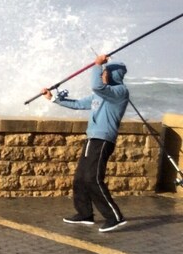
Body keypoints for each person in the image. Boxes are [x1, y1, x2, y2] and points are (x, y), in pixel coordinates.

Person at [43, 54, 129, 232]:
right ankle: (85, 214)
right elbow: (78, 104)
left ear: (114, 75)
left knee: (93, 178)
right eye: (102, 71)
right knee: (80, 179)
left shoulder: (119, 92)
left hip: (103, 139)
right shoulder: (101, 94)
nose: (103, 74)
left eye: (105, 72)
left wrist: (97, 65)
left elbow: (96, 85)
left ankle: (115, 217)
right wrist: (53, 98)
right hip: (92, 138)